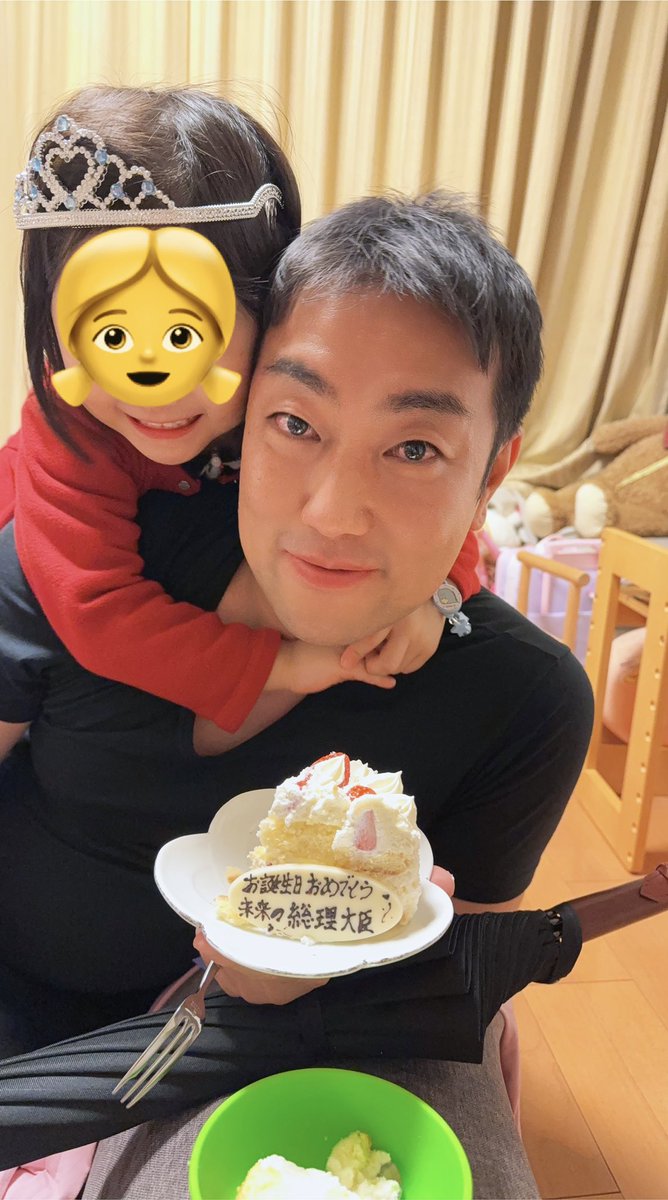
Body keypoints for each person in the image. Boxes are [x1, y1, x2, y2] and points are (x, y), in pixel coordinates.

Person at [0, 187, 592, 1069]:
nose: (332, 514)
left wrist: (332, 975)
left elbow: (453, 974)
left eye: (416, 448)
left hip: (272, 1059)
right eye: (295, 423)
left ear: (493, 473)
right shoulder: (81, 569)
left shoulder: (522, 700)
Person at [8, 83, 454, 746]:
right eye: (109, 334)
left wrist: (443, 591)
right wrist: (285, 666)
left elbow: (439, 474)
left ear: (269, 308)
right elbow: (95, 610)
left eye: (187, 333)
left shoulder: (296, 389)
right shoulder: (68, 426)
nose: (153, 389)